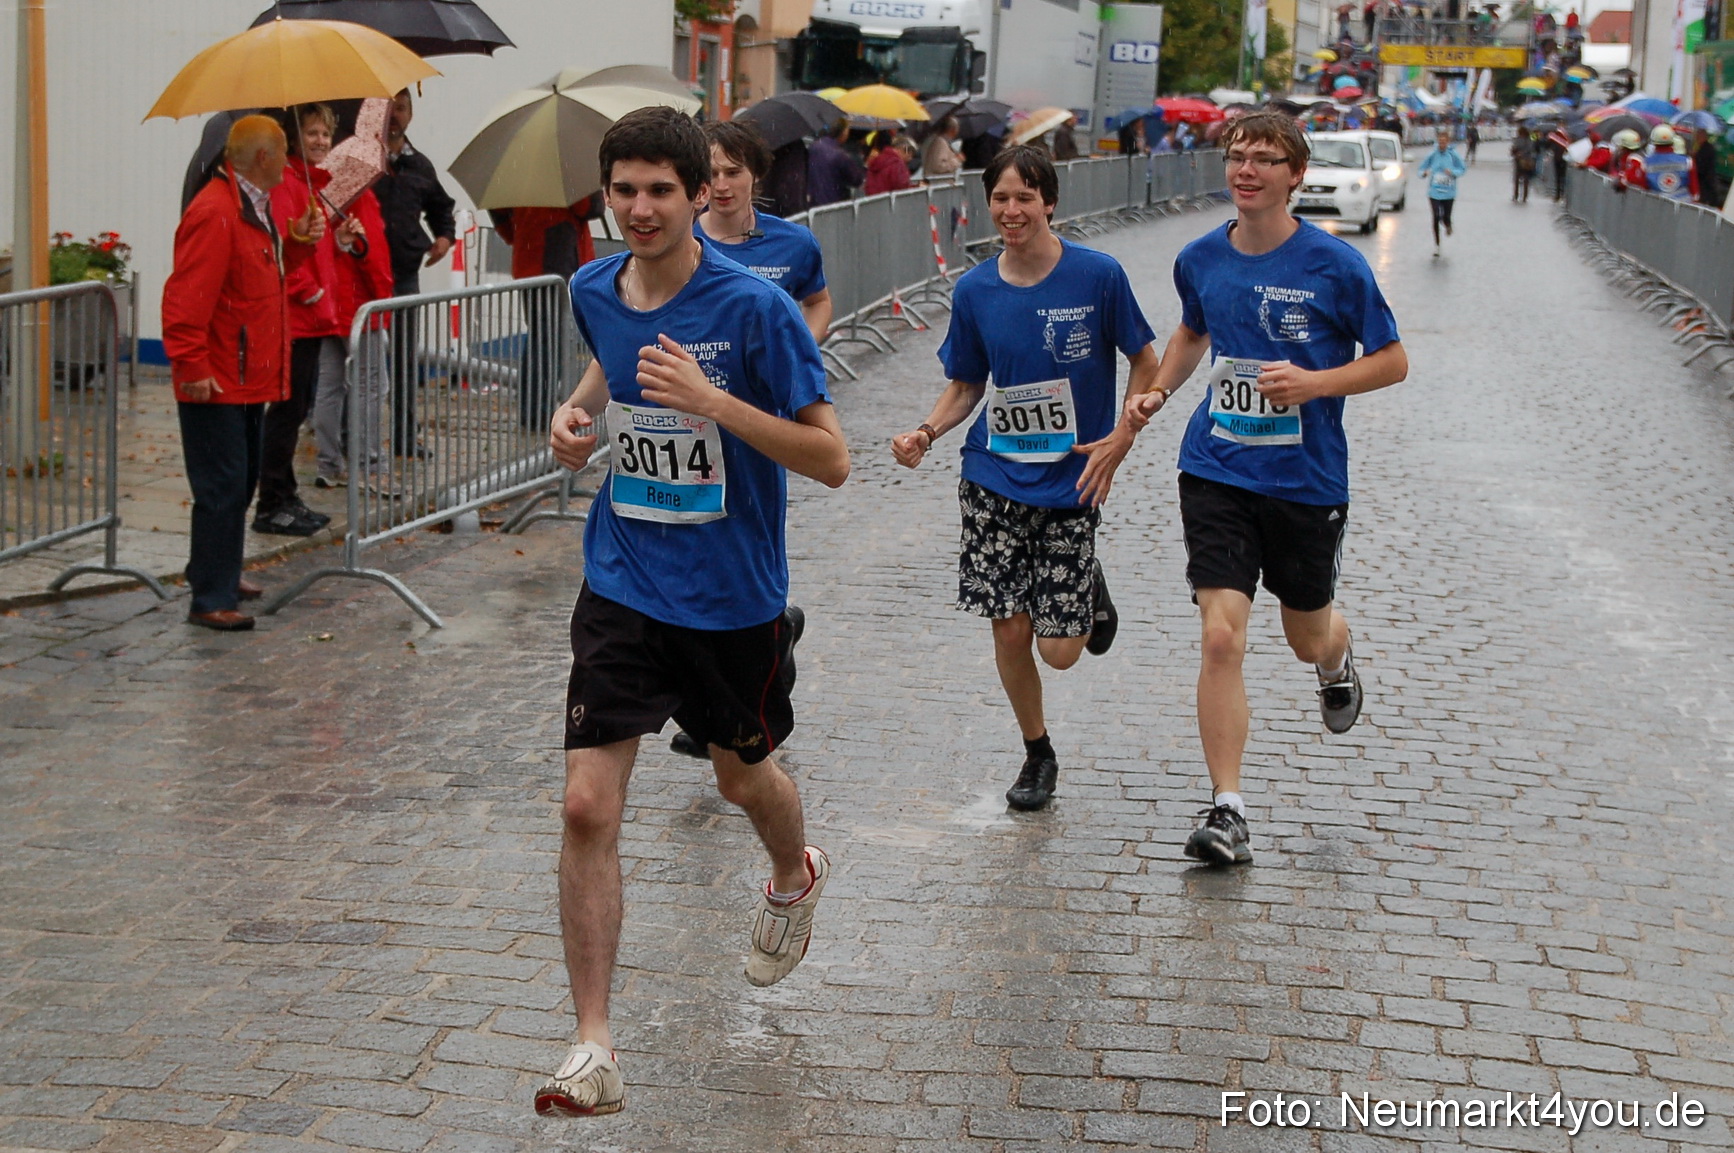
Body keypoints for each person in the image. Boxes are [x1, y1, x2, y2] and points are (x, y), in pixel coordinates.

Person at [535, 106, 850, 1118]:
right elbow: (614, 365)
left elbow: (830, 458)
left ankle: (792, 872)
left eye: (659, 190)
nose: (638, 208)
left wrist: (716, 405)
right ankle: (591, 1045)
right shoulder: (593, 286)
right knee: (587, 805)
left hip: (731, 598)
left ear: (699, 195)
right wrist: (577, 415)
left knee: (741, 777)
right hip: (624, 577)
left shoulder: (754, 311)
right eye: (622, 190)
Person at [1124, 111, 1406, 866]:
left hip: (1306, 480)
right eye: (1238, 157)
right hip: (1216, 466)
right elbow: (1190, 333)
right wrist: (1154, 392)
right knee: (1221, 634)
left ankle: (1334, 658)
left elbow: (1392, 360)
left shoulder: (1335, 266)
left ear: (1294, 176)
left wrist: (1316, 382)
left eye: (1265, 160)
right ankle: (1228, 809)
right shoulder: (1200, 258)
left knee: (1305, 630)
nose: (1247, 170)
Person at [890, 145, 1159, 812]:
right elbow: (966, 382)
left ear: (1049, 203)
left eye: (1025, 198)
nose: (1011, 211)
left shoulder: (1098, 277)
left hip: (1071, 481)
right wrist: (926, 431)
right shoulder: (975, 289)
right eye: (1001, 198)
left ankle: (1086, 583)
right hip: (993, 475)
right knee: (1008, 629)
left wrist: (1125, 432)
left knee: (1061, 650)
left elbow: (1146, 363)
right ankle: (1037, 750)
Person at [662, 118, 836, 762]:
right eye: (713, 172)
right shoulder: (678, 242)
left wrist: (794, 353)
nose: (725, 184)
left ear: (755, 175)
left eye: (736, 170)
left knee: (746, 531)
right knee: (697, 536)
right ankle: (710, 690)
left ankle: (761, 636)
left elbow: (817, 303)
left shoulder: (792, 244)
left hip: (764, 421)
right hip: (685, 420)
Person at [161, 115, 324, 630]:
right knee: (223, 485)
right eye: (282, 152)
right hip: (218, 378)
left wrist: (297, 242)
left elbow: (264, 277)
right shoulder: (217, 211)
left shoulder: (250, 207)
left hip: (244, 373)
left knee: (241, 479)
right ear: (262, 159)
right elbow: (187, 297)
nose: (289, 162)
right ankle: (210, 594)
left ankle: (219, 572)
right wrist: (191, 364)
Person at [253, 106, 340, 537]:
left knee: (296, 407)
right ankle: (272, 499)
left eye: (325, 133)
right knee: (287, 412)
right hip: (297, 317)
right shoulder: (289, 184)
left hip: (311, 316)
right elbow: (287, 246)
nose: (321, 141)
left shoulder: (310, 184)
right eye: (312, 133)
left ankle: (284, 494)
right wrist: (310, 291)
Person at [373, 89, 457, 460]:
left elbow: (442, 207)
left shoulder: (418, 165)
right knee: (359, 366)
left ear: (410, 114)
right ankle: (352, 440)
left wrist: (444, 238)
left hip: (404, 276)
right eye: (388, 107)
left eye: (401, 108)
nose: (394, 115)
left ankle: (405, 437)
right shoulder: (362, 160)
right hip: (363, 279)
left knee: (404, 363)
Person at [492, 193, 604, 429]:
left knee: (542, 340)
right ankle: (538, 413)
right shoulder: (564, 173)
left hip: (533, 260)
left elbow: (499, 212)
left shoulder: (522, 179)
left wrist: (516, 234)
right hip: (556, 261)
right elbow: (589, 208)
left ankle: (536, 410)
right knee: (549, 342)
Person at [319, 153, 395, 493]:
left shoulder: (326, 198)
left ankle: (328, 461)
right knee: (371, 386)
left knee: (331, 386)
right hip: (361, 308)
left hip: (332, 304)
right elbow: (374, 258)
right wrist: (385, 304)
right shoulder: (362, 202)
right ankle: (369, 464)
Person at [1415, 128, 1466, 253]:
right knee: (1436, 216)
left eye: (1444, 142)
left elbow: (1462, 168)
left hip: (1449, 192)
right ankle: (1437, 245)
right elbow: (1421, 169)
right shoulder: (1432, 155)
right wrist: (1424, 173)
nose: (1442, 144)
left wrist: (1453, 172)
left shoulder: (1453, 155)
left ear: (1448, 142)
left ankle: (1448, 225)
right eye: (1440, 142)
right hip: (1434, 192)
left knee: (1446, 217)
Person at [807, 117, 865, 207]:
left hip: (813, 202)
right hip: (833, 203)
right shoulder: (840, 155)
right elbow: (856, 179)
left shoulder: (814, 146)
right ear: (843, 133)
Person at [1644, 124, 1698, 201]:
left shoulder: (1645, 163)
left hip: (1656, 207)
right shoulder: (1688, 162)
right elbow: (1694, 190)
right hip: (1683, 207)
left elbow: (1643, 187)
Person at [920, 116, 964, 181]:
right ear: (953, 130)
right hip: (938, 183)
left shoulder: (943, 141)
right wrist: (957, 160)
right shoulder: (940, 143)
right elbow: (938, 166)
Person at [1691, 127, 1723, 207]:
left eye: (1697, 136)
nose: (1696, 138)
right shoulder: (1705, 148)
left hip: (1706, 183)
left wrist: (1695, 157)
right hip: (1707, 181)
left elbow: (1701, 167)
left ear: (1702, 137)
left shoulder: (1706, 149)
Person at [1510, 126, 1538, 202]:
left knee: (1517, 179)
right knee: (1525, 180)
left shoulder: (1518, 139)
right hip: (1527, 161)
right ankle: (1524, 196)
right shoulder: (1530, 139)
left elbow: (1514, 149)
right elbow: (1532, 147)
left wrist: (1517, 153)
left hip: (1519, 161)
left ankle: (1516, 195)